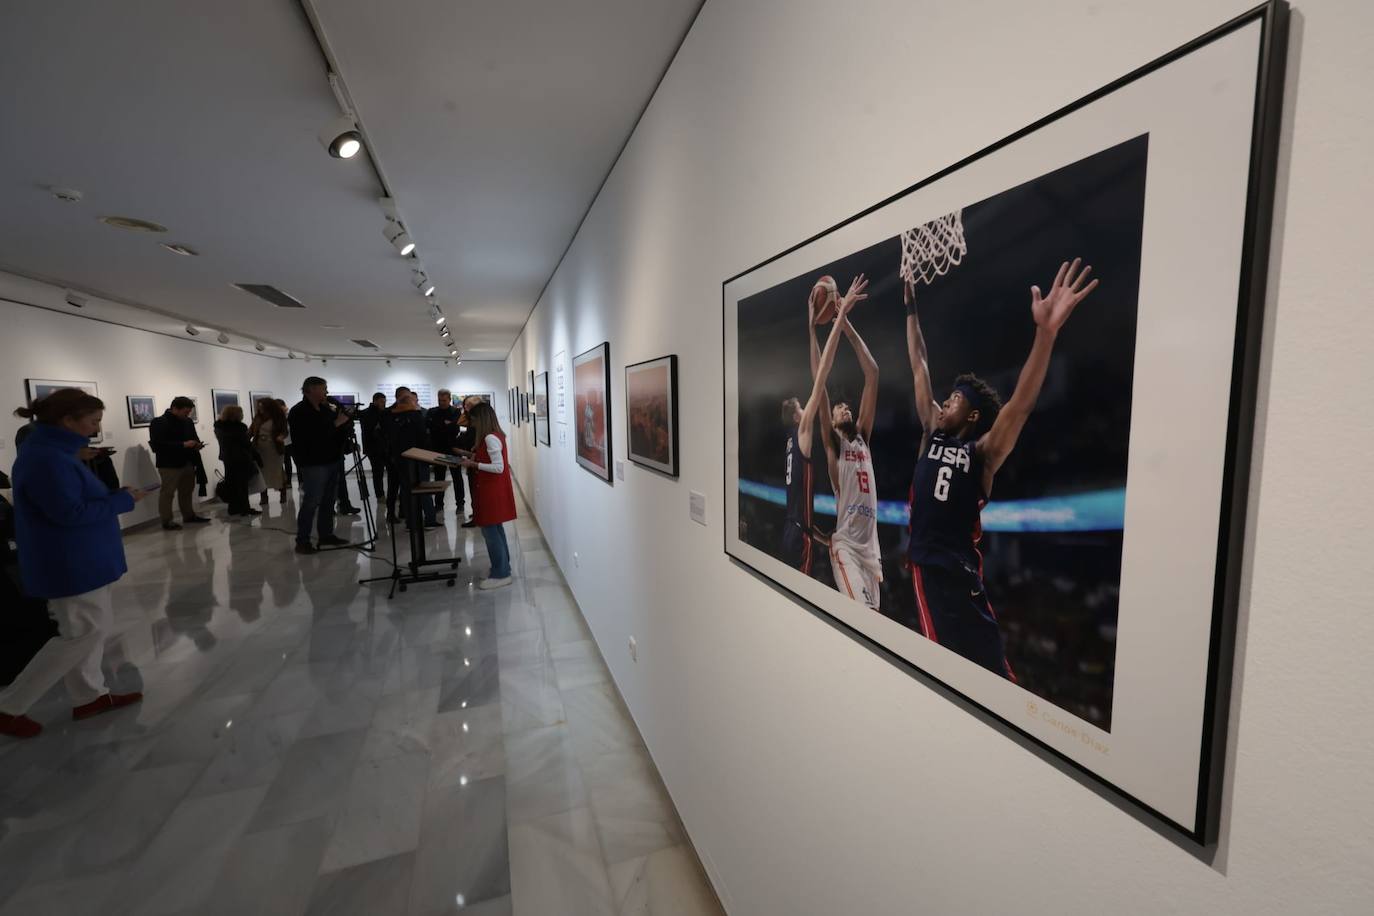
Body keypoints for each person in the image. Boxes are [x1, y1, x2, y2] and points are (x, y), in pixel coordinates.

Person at [901, 257, 1098, 678]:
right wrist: (910, 305)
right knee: (947, 681)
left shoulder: (983, 454)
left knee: (1000, 682)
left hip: (968, 581)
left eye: (955, 400)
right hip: (930, 572)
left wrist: (1046, 334)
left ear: (973, 416)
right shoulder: (928, 434)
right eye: (947, 397)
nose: (945, 402)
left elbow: (1021, 406)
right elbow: (919, 362)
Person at [0, 390, 146, 739]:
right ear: (68, 420)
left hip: (83, 556)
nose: (97, 428)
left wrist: (113, 497)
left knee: (89, 628)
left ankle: (89, 696)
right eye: (93, 421)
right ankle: (10, 706)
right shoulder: (46, 459)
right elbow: (68, 513)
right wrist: (122, 500)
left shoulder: (55, 453)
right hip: (70, 561)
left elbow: (74, 502)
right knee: (79, 633)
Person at [815, 276, 881, 611]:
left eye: (848, 406)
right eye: (841, 407)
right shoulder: (833, 445)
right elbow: (820, 383)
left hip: (871, 555)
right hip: (846, 548)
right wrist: (827, 325)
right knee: (864, 621)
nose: (846, 407)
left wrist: (847, 323)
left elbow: (873, 373)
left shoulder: (863, 438)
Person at [287, 377, 352, 555]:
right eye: (323, 388)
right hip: (313, 463)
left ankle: (326, 535)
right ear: (312, 389)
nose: (326, 392)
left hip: (332, 460)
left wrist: (344, 422)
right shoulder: (299, 412)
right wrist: (337, 423)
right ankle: (303, 541)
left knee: (328, 500)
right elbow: (311, 437)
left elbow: (335, 431)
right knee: (312, 501)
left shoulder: (324, 409)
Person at [455, 402, 516, 589]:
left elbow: (499, 467)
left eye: (473, 420)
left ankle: (501, 574)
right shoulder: (493, 436)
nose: (471, 424)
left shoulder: (490, 438)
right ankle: (502, 567)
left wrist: (473, 465)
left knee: (491, 532)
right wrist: (472, 458)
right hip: (492, 489)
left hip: (492, 490)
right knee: (495, 530)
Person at [148, 396, 211, 531]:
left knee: (187, 491)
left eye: (189, 412)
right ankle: (167, 521)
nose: (188, 415)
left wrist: (197, 445)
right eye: (186, 412)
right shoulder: (158, 422)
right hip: (169, 464)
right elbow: (158, 445)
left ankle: (188, 516)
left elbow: (193, 437)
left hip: (188, 461)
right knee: (168, 493)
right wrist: (183, 444)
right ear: (175, 408)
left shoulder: (188, 422)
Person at [385, 388, 439, 529]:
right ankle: (428, 520)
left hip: (402, 459)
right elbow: (422, 438)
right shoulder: (415, 416)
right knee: (422, 489)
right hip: (417, 459)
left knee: (408, 491)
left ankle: (412, 522)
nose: (415, 401)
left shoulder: (391, 416)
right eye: (412, 399)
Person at [214, 404, 261, 517]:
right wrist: (257, 456)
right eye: (241, 413)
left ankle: (234, 507)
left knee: (232, 483)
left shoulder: (219, 427)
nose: (243, 415)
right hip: (241, 458)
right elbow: (246, 444)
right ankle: (245, 508)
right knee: (242, 484)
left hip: (228, 458)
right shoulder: (239, 428)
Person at [426, 389, 462, 516]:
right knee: (439, 478)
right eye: (440, 400)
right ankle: (439, 504)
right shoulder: (432, 411)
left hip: (452, 450)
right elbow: (431, 427)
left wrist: (441, 426)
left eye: (444, 400)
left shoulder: (456, 411)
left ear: (449, 399)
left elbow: (455, 429)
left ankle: (460, 504)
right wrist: (446, 425)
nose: (441, 402)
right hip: (438, 449)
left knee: (457, 477)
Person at [249, 397, 288, 505]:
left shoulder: (279, 417)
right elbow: (251, 430)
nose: (260, 408)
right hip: (260, 448)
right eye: (259, 406)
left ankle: (283, 493)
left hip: (275, 448)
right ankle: (264, 497)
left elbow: (285, 431)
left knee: (277, 471)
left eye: (262, 406)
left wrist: (281, 436)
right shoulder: (258, 418)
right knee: (262, 473)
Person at [329, 398, 361, 516]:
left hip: (338, 453)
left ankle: (344, 505)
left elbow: (342, 433)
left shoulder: (335, 412)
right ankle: (330, 506)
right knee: (331, 482)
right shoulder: (328, 415)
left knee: (341, 481)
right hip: (328, 454)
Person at [453, 396, 481, 527]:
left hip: (476, 458)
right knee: (472, 487)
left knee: (476, 488)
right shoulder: (470, 419)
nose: (465, 408)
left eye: (468, 406)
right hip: (471, 456)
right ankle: (476, 512)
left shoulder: (479, 422)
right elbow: (461, 425)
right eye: (465, 406)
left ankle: (478, 515)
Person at [358, 392, 389, 500]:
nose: (383, 404)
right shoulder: (367, 413)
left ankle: (386, 494)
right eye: (381, 402)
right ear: (375, 401)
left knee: (388, 472)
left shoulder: (384, 413)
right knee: (378, 472)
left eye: (384, 402)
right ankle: (380, 495)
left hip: (385, 447)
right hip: (374, 449)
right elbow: (370, 431)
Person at [276, 398, 294, 491]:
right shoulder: (277, 417)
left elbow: (289, 429)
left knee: (288, 462)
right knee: (282, 463)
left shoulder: (290, 414)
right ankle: (283, 482)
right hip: (281, 442)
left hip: (290, 442)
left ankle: (289, 482)